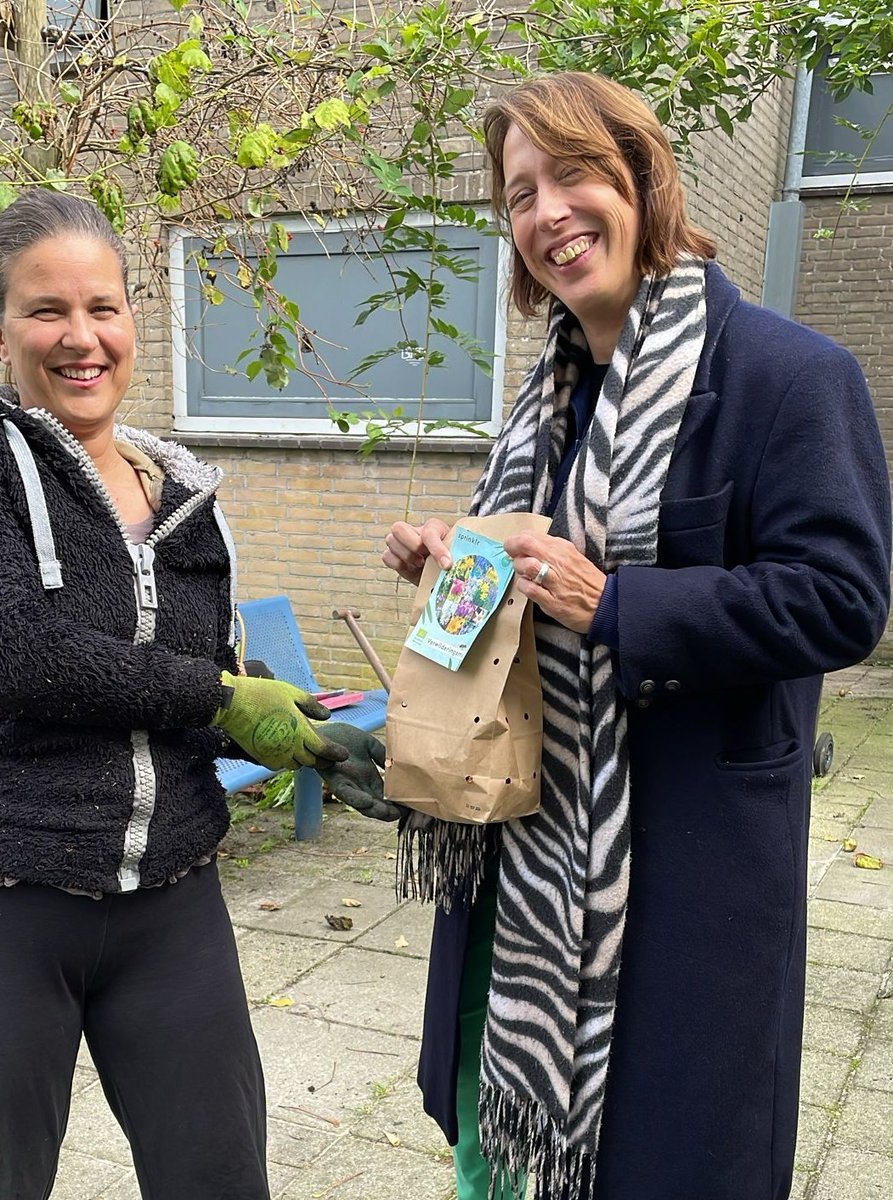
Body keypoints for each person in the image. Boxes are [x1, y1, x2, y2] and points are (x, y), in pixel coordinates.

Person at [382, 72, 892, 1200]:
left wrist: (614, 602)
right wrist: (453, 565)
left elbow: (842, 600)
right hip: (519, 852)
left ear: (642, 180)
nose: (548, 213)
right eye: (520, 193)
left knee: (662, 1157)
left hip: (686, 866)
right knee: (499, 1126)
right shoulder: (541, 405)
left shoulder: (787, 378)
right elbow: (517, 592)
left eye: (573, 175)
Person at [0, 189, 384, 1199]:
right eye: (46, 311)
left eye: (104, 308)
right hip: (16, 889)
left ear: (134, 320)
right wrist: (221, 698)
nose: (81, 338)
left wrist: (287, 721)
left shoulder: (185, 499)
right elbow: (29, 655)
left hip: (171, 897)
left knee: (218, 1178)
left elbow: (192, 671)